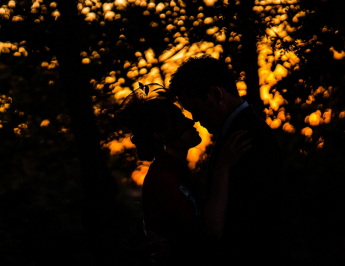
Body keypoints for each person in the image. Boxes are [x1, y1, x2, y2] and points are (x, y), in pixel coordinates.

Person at [169, 55, 284, 265]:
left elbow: (250, 218)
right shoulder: (235, 133)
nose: (195, 118)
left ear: (215, 94)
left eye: (195, 108)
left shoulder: (247, 137)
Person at [118, 89, 251, 265]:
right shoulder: (164, 177)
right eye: (177, 120)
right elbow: (208, 232)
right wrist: (223, 166)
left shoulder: (175, 171)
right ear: (159, 136)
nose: (190, 121)